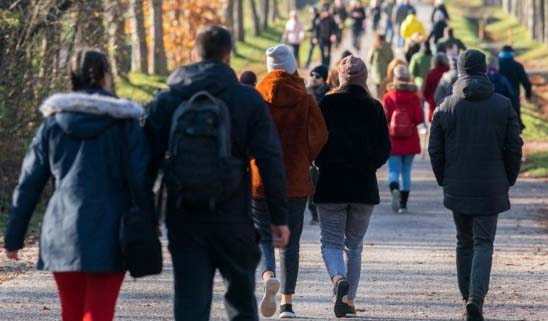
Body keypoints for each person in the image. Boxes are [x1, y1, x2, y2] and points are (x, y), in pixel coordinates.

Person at [144, 26, 290, 321]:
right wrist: (279, 218)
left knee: (189, 302)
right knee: (240, 302)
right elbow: (270, 159)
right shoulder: (247, 100)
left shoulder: (168, 100)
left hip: (183, 216)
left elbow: (145, 162)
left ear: (195, 53)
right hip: (234, 216)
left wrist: (149, 216)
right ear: (228, 55)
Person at [3, 48, 155, 321]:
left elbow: (29, 183)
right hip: (112, 232)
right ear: (106, 76)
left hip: (62, 231)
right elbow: (140, 178)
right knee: (99, 314)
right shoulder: (125, 123)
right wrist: (148, 221)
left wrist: (14, 236)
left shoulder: (53, 124)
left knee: (71, 314)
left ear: (71, 76)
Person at [429, 49, 523, 321]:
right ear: (485, 70)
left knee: (464, 241)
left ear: (460, 71)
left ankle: (466, 297)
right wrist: (509, 177)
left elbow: (435, 149)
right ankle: (475, 299)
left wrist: (443, 178)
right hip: (492, 184)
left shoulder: (445, 106)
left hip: (457, 185)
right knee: (484, 242)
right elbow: (514, 147)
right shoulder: (503, 105)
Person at [253, 45, 328, 319]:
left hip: (260, 179)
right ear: (293, 64)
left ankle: (267, 276)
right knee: (291, 242)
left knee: (263, 235)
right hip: (295, 180)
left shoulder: (257, 96)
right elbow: (320, 135)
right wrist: (305, 155)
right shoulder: (306, 99)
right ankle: (287, 304)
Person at [315, 55, 391, 318]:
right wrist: (368, 166)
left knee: (331, 243)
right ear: (364, 77)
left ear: (340, 76)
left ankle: (338, 279)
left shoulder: (327, 103)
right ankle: (348, 301)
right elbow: (384, 149)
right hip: (363, 186)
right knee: (355, 246)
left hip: (331, 184)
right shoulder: (374, 107)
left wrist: (322, 162)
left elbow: (316, 141)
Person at [382, 64, 423, 214]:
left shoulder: (388, 96)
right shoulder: (414, 97)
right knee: (406, 172)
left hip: (393, 139)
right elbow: (419, 119)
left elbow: (384, 118)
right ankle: (403, 205)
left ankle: (394, 188)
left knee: (393, 170)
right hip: (410, 138)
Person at [498, 45, 532, 131]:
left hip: (497, 97)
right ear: (512, 54)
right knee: (515, 121)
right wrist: (528, 95)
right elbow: (526, 83)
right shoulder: (517, 66)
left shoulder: (496, 65)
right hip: (513, 97)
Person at [423, 52, 450, 121]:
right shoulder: (450, 73)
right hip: (449, 105)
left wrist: (429, 100)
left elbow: (425, 92)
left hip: (434, 105)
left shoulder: (431, 74)